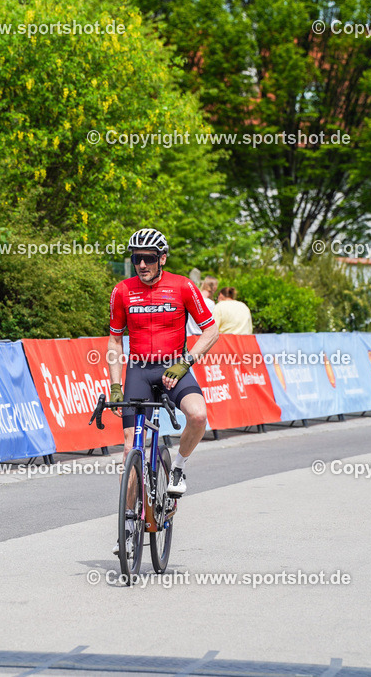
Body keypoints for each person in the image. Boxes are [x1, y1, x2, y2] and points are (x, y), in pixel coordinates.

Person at [106, 228, 219, 553]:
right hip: (139, 370)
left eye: (148, 258)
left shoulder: (182, 286)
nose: (141, 264)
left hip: (174, 367)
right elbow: (115, 341)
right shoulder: (122, 291)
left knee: (198, 416)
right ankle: (129, 523)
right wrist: (115, 384)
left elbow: (211, 330)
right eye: (136, 258)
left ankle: (179, 467)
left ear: (162, 258)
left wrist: (186, 363)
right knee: (130, 448)